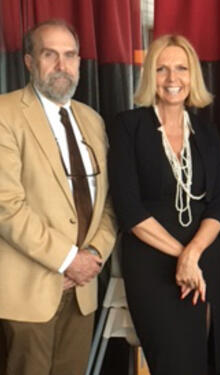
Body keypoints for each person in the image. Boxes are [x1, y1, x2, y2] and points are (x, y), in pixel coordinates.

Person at [0, 19, 117, 375]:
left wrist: (93, 255)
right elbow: (7, 206)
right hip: (28, 291)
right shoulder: (5, 114)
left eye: (69, 55)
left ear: (80, 62)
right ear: (29, 61)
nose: (61, 66)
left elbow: (109, 203)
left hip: (81, 291)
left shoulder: (92, 121)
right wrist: (68, 259)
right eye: (50, 54)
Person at [107, 34, 220, 375]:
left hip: (204, 261)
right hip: (152, 266)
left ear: (193, 75)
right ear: (150, 75)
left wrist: (192, 255)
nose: (172, 79)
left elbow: (219, 204)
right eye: (161, 69)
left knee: (207, 359)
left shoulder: (206, 132)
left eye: (181, 68)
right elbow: (130, 210)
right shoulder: (127, 127)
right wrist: (181, 256)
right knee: (173, 363)